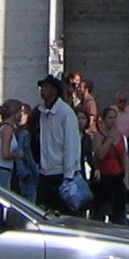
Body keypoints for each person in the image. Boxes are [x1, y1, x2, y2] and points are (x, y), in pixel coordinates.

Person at [33, 75, 83, 215]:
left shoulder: (66, 113)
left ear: (54, 91)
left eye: (46, 87)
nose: (42, 90)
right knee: (42, 211)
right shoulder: (42, 113)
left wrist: (68, 174)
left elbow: (71, 144)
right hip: (45, 172)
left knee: (63, 214)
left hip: (61, 173)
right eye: (41, 87)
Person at [89, 100, 129, 225]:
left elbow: (124, 156)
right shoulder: (98, 136)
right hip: (103, 176)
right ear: (103, 119)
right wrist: (109, 140)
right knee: (100, 210)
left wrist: (126, 176)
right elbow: (100, 154)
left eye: (114, 117)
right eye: (109, 118)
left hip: (117, 175)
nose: (112, 120)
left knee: (119, 211)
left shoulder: (119, 135)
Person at [0, 100, 27, 191]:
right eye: (20, 112)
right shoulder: (7, 129)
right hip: (0, 171)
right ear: (15, 113)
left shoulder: (2, 127)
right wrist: (18, 154)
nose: (21, 115)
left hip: (0, 171)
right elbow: (5, 154)